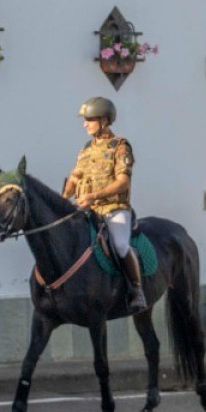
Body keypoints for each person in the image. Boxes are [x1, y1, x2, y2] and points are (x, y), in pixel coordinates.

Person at [64, 97, 148, 315]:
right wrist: (64, 198)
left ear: (103, 120)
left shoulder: (120, 146)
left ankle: (137, 290)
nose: (85, 124)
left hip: (114, 208)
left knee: (120, 245)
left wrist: (93, 196)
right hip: (87, 209)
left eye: (89, 119)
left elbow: (123, 182)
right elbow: (74, 177)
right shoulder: (86, 149)